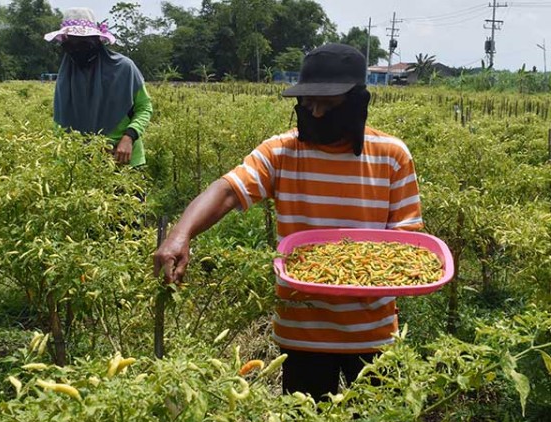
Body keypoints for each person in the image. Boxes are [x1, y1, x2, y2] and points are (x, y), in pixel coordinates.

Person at [153, 43, 423, 401]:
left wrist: (369, 274)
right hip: (302, 329)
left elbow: (405, 243)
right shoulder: (281, 152)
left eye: (328, 103)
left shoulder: (391, 156)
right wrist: (180, 234)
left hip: (372, 331)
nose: (314, 111)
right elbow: (228, 190)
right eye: (308, 102)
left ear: (358, 101)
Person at [44, 8, 153, 167]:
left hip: (124, 160)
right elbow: (60, 123)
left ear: (96, 41)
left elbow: (144, 107)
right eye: (71, 44)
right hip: (81, 166)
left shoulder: (124, 69)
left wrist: (129, 137)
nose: (77, 50)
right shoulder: (67, 76)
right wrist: (63, 162)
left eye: (83, 44)